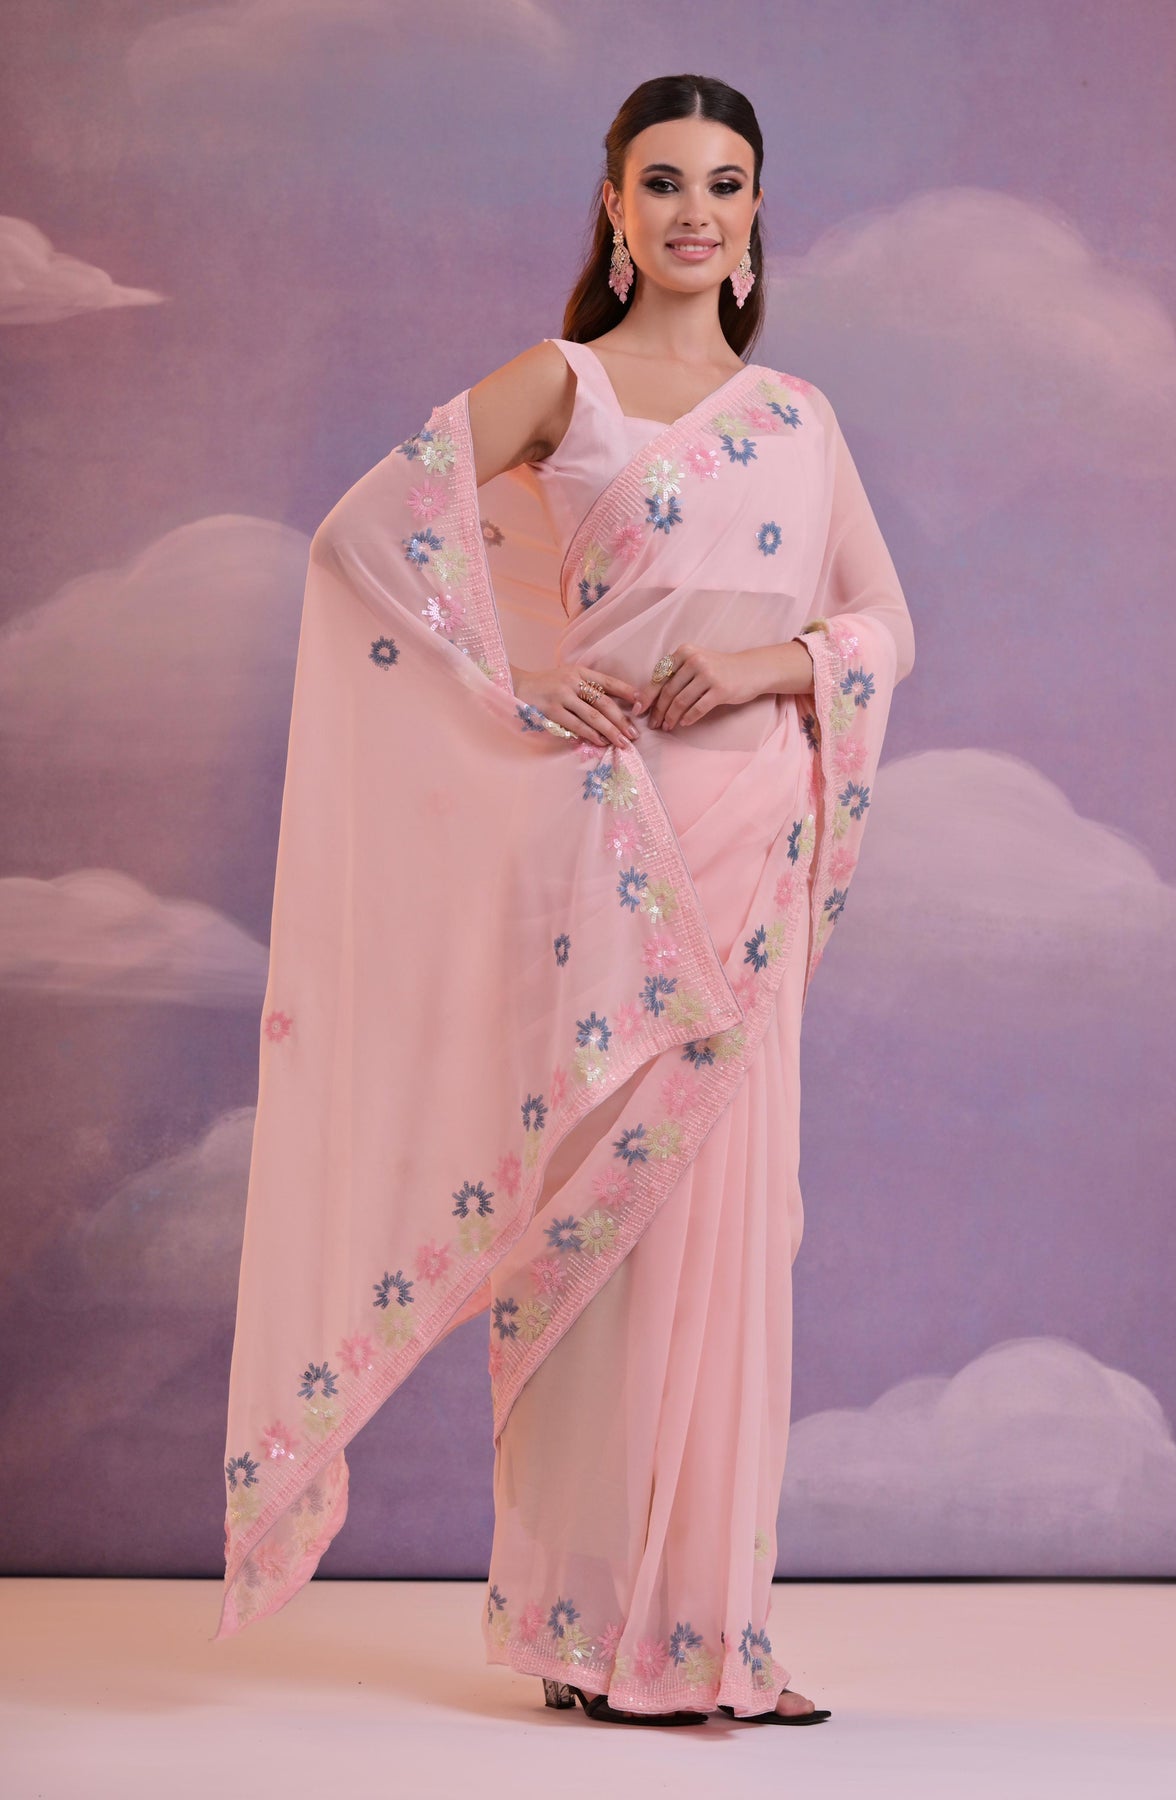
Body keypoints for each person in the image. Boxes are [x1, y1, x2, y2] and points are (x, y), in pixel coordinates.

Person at [213, 73, 915, 1733]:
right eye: (662, 181)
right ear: (613, 207)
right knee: (598, 1248)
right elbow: (369, 542)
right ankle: (579, 1629)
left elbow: (882, 624)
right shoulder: (566, 383)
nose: (693, 211)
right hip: (619, 861)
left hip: (751, 851)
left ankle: (706, 1636)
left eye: (724, 183)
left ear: (757, 211)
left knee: (726, 1241)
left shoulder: (799, 419)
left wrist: (769, 662)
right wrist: (523, 678)